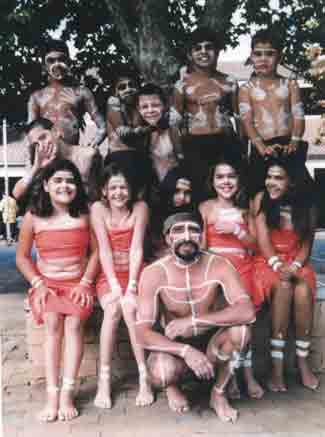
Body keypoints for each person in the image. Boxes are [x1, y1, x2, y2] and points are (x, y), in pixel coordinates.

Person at [136, 212, 255, 423]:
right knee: (161, 372)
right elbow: (142, 333)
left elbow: (247, 311)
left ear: (202, 235)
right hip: (177, 350)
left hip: (211, 345)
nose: (187, 236)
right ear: (167, 238)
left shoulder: (219, 265)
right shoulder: (154, 272)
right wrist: (186, 351)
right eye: (178, 231)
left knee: (242, 331)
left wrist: (194, 321)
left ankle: (218, 393)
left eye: (194, 230)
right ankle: (172, 387)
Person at [16, 159, 98, 422]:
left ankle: (67, 393)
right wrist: (37, 284)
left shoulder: (85, 214)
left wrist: (86, 282)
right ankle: (52, 394)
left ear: (78, 186)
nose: (65, 186)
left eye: (70, 181)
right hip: (47, 284)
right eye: (58, 181)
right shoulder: (33, 217)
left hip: (78, 283)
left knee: (74, 325)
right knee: (52, 323)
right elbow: (22, 257)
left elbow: (97, 252)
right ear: (45, 185)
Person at [199, 155, 264, 399]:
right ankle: (232, 377)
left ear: (238, 180)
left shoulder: (246, 209)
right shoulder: (205, 207)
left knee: (244, 324)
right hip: (216, 270)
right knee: (228, 324)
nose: (226, 181)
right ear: (212, 181)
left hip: (242, 269)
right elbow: (203, 244)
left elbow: (256, 244)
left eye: (231, 176)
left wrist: (237, 230)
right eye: (220, 177)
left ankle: (247, 375)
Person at [90, 162, 153, 409]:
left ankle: (144, 378)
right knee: (113, 309)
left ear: (131, 189)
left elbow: (136, 248)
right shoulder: (97, 209)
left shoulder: (140, 208)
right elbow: (104, 251)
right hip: (109, 275)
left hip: (137, 273)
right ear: (104, 190)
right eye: (113, 187)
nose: (119, 193)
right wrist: (116, 286)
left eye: (123, 187)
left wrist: (133, 286)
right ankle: (103, 381)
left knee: (130, 309)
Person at [252, 158, 318, 392]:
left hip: (297, 261)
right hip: (268, 261)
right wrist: (278, 265)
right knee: (283, 287)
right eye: (269, 177)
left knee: (302, 291)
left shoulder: (307, 204)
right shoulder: (261, 199)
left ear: (292, 182)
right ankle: (277, 368)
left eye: (278, 178)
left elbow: (306, 243)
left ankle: (302, 362)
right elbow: (262, 239)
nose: (271, 182)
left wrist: (296, 265)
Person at [171, 27, 242, 201]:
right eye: (197, 48)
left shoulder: (230, 82)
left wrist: (242, 149)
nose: (203, 52)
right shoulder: (182, 85)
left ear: (217, 51)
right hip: (195, 147)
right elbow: (174, 124)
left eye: (208, 47)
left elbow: (239, 118)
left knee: (231, 194)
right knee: (200, 197)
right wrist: (180, 155)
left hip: (226, 144)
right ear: (190, 55)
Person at [238, 29, 309, 196]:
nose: (263, 59)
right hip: (261, 145)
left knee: (302, 192)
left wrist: (295, 141)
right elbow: (246, 121)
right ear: (251, 57)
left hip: (288, 145)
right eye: (258, 54)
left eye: (270, 54)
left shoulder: (290, 84)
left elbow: (298, 116)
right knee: (258, 193)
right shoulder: (246, 88)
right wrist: (261, 146)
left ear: (279, 57)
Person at [27, 39, 106, 148]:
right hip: (46, 157)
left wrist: (90, 147)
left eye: (61, 59)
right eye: (51, 60)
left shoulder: (81, 92)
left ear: (69, 62)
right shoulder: (36, 97)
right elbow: (31, 132)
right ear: (44, 66)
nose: (57, 64)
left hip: (71, 156)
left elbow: (103, 127)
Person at [13, 118, 95, 203]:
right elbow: (17, 194)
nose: (42, 145)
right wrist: (36, 168)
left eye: (43, 137)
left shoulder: (87, 156)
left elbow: (97, 197)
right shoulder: (42, 165)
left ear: (56, 132)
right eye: (36, 144)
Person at [105, 70, 152, 194]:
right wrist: (150, 128)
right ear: (116, 92)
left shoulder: (141, 104)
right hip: (119, 157)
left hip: (141, 158)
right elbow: (124, 133)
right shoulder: (113, 103)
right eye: (122, 87)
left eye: (132, 85)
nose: (128, 89)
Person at [136, 83, 182, 184]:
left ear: (165, 105)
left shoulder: (176, 130)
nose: (150, 110)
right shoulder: (142, 135)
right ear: (139, 110)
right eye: (144, 107)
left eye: (155, 105)